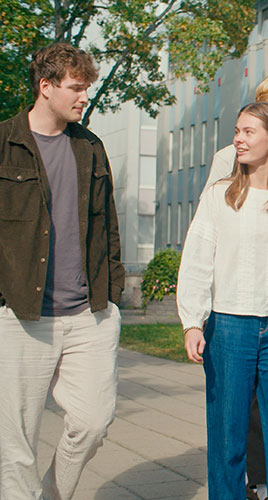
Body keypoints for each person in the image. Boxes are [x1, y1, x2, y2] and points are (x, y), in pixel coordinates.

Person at [178, 102, 268, 500]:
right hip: (228, 328)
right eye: (237, 131)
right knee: (228, 435)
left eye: (248, 132)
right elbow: (196, 259)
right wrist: (192, 320)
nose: (238, 139)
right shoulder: (219, 196)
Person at [0, 43, 125, 500]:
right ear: (45, 86)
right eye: (75, 88)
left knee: (93, 423)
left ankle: (50, 495)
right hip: (20, 315)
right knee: (14, 444)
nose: (83, 98)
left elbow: (107, 225)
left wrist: (110, 295)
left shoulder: (90, 147)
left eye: (86, 88)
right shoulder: (4, 143)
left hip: (87, 315)